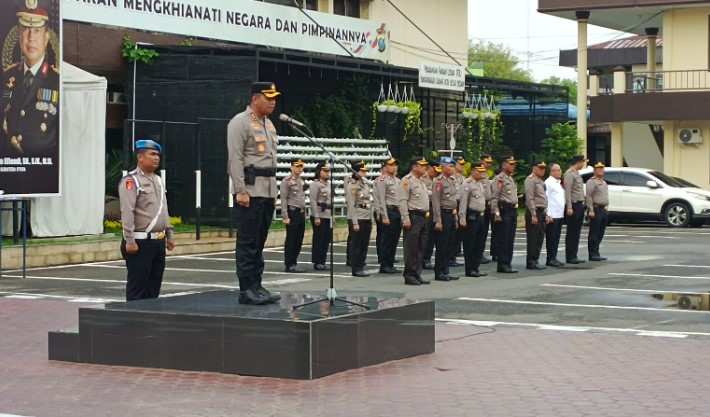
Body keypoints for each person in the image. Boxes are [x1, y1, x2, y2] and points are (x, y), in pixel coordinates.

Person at [227, 81, 281, 305]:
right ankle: (246, 288)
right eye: (268, 98)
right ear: (255, 98)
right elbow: (235, 158)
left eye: (274, 98)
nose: (272, 102)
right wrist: (240, 190)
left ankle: (257, 285)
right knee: (248, 242)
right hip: (249, 190)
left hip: (266, 190)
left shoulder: (269, 125)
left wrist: (273, 191)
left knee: (259, 241)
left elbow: (270, 161)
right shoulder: (240, 122)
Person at [118, 140, 176, 301]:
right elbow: (127, 211)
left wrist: (169, 233)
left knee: (153, 287)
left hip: (157, 241)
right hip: (140, 243)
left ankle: (150, 321)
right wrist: (129, 240)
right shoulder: (131, 181)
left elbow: (163, 208)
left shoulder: (157, 180)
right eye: (152, 154)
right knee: (138, 288)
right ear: (140, 157)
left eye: (157, 154)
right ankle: (134, 322)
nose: (156, 158)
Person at [1, 0, 60, 156]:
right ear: (19, 34)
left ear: (46, 38)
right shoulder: (7, 77)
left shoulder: (57, 81)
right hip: (10, 170)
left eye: (37, 31)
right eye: (26, 29)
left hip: (43, 171)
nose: (31, 37)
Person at [398, 157, 431, 285]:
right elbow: (402, 201)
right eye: (421, 165)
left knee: (421, 246)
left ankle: (417, 273)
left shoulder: (421, 181)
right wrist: (405, 218)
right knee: (411, 247)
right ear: (414, 166)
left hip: (423, 216)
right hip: (413, 216)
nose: (424, 167)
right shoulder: (407, 181)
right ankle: (409, 274)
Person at [431, 156, 459, 282]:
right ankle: (439, 271)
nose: (452, 168)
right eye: (449, 166)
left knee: (450, 245)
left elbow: (454, 201)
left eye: (453, 166)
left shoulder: (452, 180)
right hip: (443, 214)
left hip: (452, 214)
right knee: (442, 245)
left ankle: (446, 270)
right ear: (442, 167)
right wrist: (438, 220)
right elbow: (436, 202)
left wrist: (456, 218)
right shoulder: (438, 182)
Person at [458, 162, 488, 278]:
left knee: (479, 244)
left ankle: (476, 267)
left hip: (480, 216)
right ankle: (469, 268)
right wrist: (462, 218)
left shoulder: (479, 183)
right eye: (479, 171)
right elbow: (463, 202)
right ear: (472, 171)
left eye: (482, 171)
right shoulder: (467, 183)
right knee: (470, 243)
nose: (482, 173)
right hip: (472, 216)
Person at [490, 155, 519, 273]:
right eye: (510, 164)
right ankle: (502, 264)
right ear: (503, 165)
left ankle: (508, 263)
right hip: (504, 210)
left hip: (513, 210)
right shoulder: (499, 179)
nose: (513, 166)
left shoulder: (510, 178)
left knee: (510, 239)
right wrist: (496, 212)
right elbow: (494, 197)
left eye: (513, 164)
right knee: (504, 239)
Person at [374, 157, 402, 274]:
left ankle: (390, 263)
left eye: (395, 165)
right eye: (391, 165)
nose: (394, 167)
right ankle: (384, 264)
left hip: (397, 211)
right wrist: (384, 216)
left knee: (394, 239)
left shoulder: (397, 180)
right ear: (385, 167)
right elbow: (380, 199)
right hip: (389, 211)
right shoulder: (382, 180)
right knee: (387, 239)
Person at [345, 160, 373, 277]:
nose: (364, 173)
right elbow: (351, 204)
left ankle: (361, 265)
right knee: (356, 244)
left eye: (365, 171)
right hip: (358, 216)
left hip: (366, 216)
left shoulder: (364, 184)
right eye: (362, 171)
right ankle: (356, 267)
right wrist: (355, 222)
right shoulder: (352, 185)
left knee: (364, 243)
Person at [524, 160, 552, 270]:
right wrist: (533, 214)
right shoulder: (530, 180)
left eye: (544, 168)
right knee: (533, 238)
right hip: (534, 211)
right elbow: (530, 198)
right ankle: (531, 261)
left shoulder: (540, 181)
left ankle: (536, 259)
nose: (542, 170)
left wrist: (545, 213)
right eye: (540, 168)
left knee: (540, 237)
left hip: (541, 211)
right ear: (534, 168)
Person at [280, 158, 307, 273]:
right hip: (292, 212)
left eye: (301, 166)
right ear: (291, 167)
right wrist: (285, 216)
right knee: (291, 239)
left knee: (298, 239)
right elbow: (283, 199)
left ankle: (294, 262)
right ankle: (289, 263)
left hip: (300, 212)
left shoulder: (301, 180)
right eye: (297, 166)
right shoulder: (286, 181)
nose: (299, 168)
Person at [564, 154, 588, 264]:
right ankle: (570, 255)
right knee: (572, 232)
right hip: (573, 205)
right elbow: (567, 191)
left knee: (577, 232)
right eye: (582, 162)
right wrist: (569, 207)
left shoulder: (577, 173)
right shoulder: (569, 174)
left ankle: (574, 254)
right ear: (578, 162)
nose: (583, 164)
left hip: (579, 205)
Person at [309, 161, 331, 271]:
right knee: (319, 238)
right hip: (318, 213)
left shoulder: (328, 184)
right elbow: (313, 200)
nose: (327, 173)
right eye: (325, 171)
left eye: (328, 171)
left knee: (326, 239)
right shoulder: (315, 184)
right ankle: (317, 261)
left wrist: (332, 216)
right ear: (319, 171)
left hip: (327, 214)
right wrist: (316, 216)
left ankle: (323, 260)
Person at [586, 162, 610, 261]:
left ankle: (597, 252)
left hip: (603, 209)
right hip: (596, 209)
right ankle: (592, 253)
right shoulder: (592, 182)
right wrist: (591, 210)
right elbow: (589, 196)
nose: (600, 170)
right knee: (594, 233)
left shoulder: (603, 182)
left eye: (602, 169)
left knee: (600, 233)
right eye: (598, 169)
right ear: (594, 171)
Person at [544, 163, 565, 267]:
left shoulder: (558, 182)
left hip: (559, 214)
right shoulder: (549, 183)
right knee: (551, 238)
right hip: (552, 215)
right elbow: (546, 199)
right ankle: (550, 258)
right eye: (557, 170)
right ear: (551, 172)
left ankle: (554, 257)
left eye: (559, 170)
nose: (559, 172)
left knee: (556, 238)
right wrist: (548, 214)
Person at [421, 159, 439, 270]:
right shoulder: (423, 179)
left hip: (433, 208)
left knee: (432, 235)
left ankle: (427, 257)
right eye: (435, 170)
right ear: (430, 168)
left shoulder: (436, 179)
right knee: (425, 235)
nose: (436, 173)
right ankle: (422, 258)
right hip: (425, 208)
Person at [449, 156, 466, 267]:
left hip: (461, 206)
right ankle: (450, 256)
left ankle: (454, 255)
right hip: (453, 205)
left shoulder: (462, 178)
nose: (462, 166)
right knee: (452, 234)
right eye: (460, 164)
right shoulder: (450, 178)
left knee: (458, 233)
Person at [480, 154, 494, 264]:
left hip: (487, 206)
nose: (488, 164)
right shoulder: (479, 174)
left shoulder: (485, 174)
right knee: (479, 232)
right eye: (486, 162)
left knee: (484, 231)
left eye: (489, 162)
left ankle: (481, 252)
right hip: (480, 206)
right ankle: (478, 254)